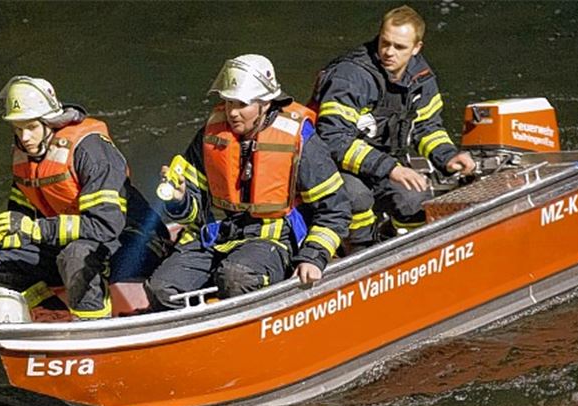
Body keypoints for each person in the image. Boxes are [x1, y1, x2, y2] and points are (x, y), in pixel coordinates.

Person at [0, 75, 167, 320]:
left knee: (76, 256)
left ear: (51, 122)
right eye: (17, 129)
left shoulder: (90, 151)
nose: (24, 137)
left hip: (135, 241)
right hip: (72, 240)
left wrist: (36, 229)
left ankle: (92, 325)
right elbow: (20, 221)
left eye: (31, 127)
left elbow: (105, 226)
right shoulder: (27, 158)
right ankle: (49, 314)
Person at [146, 55, 351, 310]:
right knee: (161, 289)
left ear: (265, 103)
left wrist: (313, 256)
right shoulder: (211, 135)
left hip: (272, 240)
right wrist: (180, 200)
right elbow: (193, 210)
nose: (232, 112)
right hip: (217, 235)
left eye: (242, 104)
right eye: (228, 101)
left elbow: (336, 209)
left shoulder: (299, 139)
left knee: (236, 277)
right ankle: (198, 331)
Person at [309, 5, 476, 251]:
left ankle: (411, 252)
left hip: (384, 164)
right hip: (338, 167)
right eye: (384, 43)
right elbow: (333, 139)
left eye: (399, 47)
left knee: (414, 199)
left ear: (416, 48)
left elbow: (427, 127)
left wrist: (448, 157)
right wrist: (391, 169)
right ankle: (359, 252)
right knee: (357, 198)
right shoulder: (351, 76)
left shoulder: (421, 78)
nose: (389, 52)